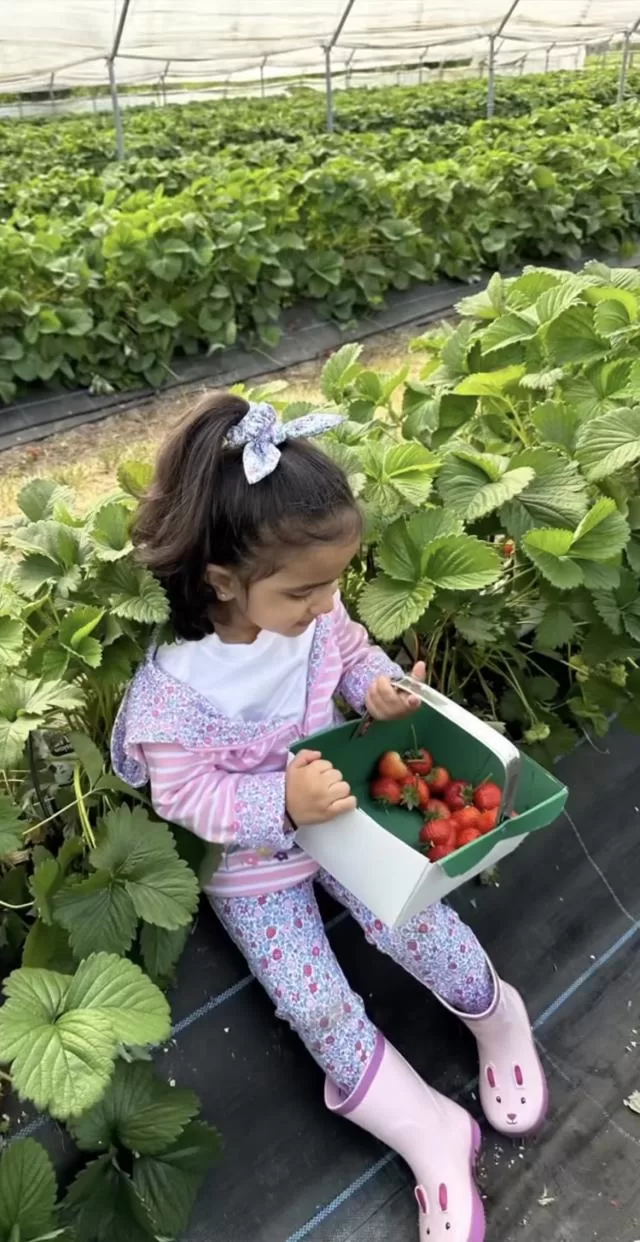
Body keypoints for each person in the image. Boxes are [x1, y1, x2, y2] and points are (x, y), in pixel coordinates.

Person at [112, 393, 548, 1242]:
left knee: (414, 923)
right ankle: (431, 1136)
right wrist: (277, 800)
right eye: (305, 590)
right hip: (253, 862)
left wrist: (375, 689)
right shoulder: (174, 694)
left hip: (347, 811)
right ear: (222, 580)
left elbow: (350, 654)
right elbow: (186, 798)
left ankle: (498, 1015)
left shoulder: (318, 614)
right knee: (313, 1003)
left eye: (335, 583)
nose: (326, 604)